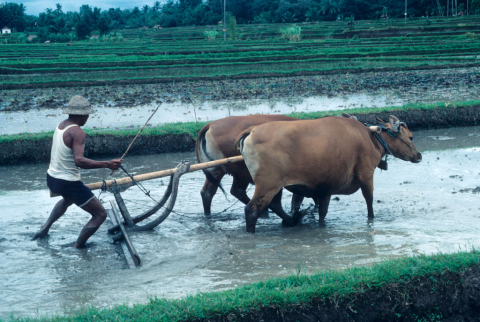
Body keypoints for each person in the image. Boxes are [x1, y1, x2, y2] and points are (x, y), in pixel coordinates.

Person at [33, 95, 123, 248]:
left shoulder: (61, 125)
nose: (87, 118)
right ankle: (78, 247)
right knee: (100, 215)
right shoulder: (78, 132)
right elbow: (79, 161)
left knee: (68, 200)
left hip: (52, 178)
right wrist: (107, 164)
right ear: (81, 115)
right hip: (68, 182)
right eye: (87, 114)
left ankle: (44, 229)